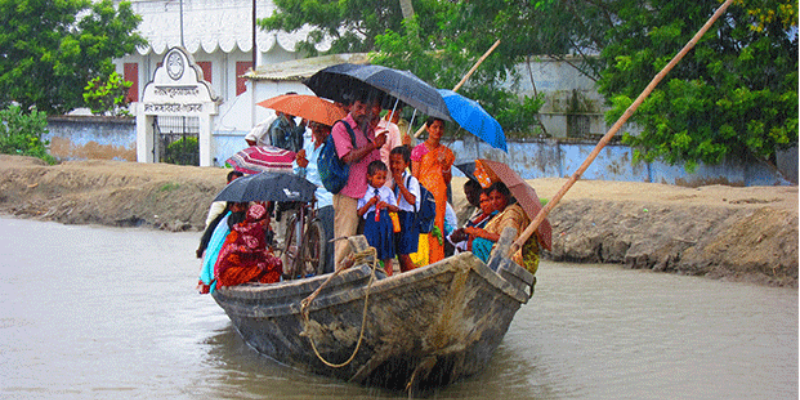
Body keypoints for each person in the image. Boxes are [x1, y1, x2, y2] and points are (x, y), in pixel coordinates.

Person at [331, 91, 387, 269]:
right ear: (351, 106)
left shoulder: (368, 130)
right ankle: (339, 284)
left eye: (367, 107)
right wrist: (373, 145)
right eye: (359, 107)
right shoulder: (341, 128)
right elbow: (347, 156)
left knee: (363, 246)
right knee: (345, 243)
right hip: (348, 195)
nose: (363, 111)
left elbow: (374, 162)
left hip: (367, 197)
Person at [411, 117, 454, 265]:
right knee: (423, 227)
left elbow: (448, 179)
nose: (437, 131)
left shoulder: (446, 152)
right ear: (428, 129)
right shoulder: (418, 150)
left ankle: (437, 262)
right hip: (424, 195)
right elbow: (415, 177)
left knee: (437, 228)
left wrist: (444, 165)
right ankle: (422, 261)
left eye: (441, 128)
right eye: (434, 127)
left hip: (439, 195)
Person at [466, 182, 538, 272]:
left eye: (498, 198)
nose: (494, 202)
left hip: (514, 256)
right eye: (491, 198)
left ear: (507, 196)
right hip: (502, 252)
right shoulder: (500, 213)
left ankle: (483, 272)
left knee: (479, 243)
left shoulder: (512, 212)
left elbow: (510, 239)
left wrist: (483, 234)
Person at [293, 121, 335, 272]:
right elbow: (297, 171)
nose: (316, 130)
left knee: (328, 236)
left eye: (320, 127)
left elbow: (326, 172)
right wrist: (299, 164)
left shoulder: (330, 150)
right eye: (314, 127)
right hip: (308, 194)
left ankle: (327, 270)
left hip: (325, 196)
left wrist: (307, 165)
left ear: (326, 130)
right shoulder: (309, 148)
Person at [215, 203, 282, 287]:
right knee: (274, 265)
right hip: (231, 273)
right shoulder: (256, 231)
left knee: (271, 264)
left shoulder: (240, 228)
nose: (268, 221)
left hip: (230, 271)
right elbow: (255, 254)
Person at [358, 160, 399, 276]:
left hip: (385, 224)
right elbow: (360, 212)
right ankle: (372, 277)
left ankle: (387, 278)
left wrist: (387, 205)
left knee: (388, 254)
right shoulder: (364, 192)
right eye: (378, 178)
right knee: (371, 252)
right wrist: (369, 204)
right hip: (371, 225)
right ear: (369, 177)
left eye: (384, 178)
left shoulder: (387, 191)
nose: (382, 181)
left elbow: (396, 208)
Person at [389, 145, 420, 273]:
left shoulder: (411, 180)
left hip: (408, 218)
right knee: (399, 254)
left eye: (398, 162)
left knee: (404, 254)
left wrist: (400, 184)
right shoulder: (393, 180)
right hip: (397, 217)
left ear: (406, 163)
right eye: (392, 162)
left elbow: (412, 200)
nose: (394, 166)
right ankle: (405, 275)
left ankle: (413, 277)